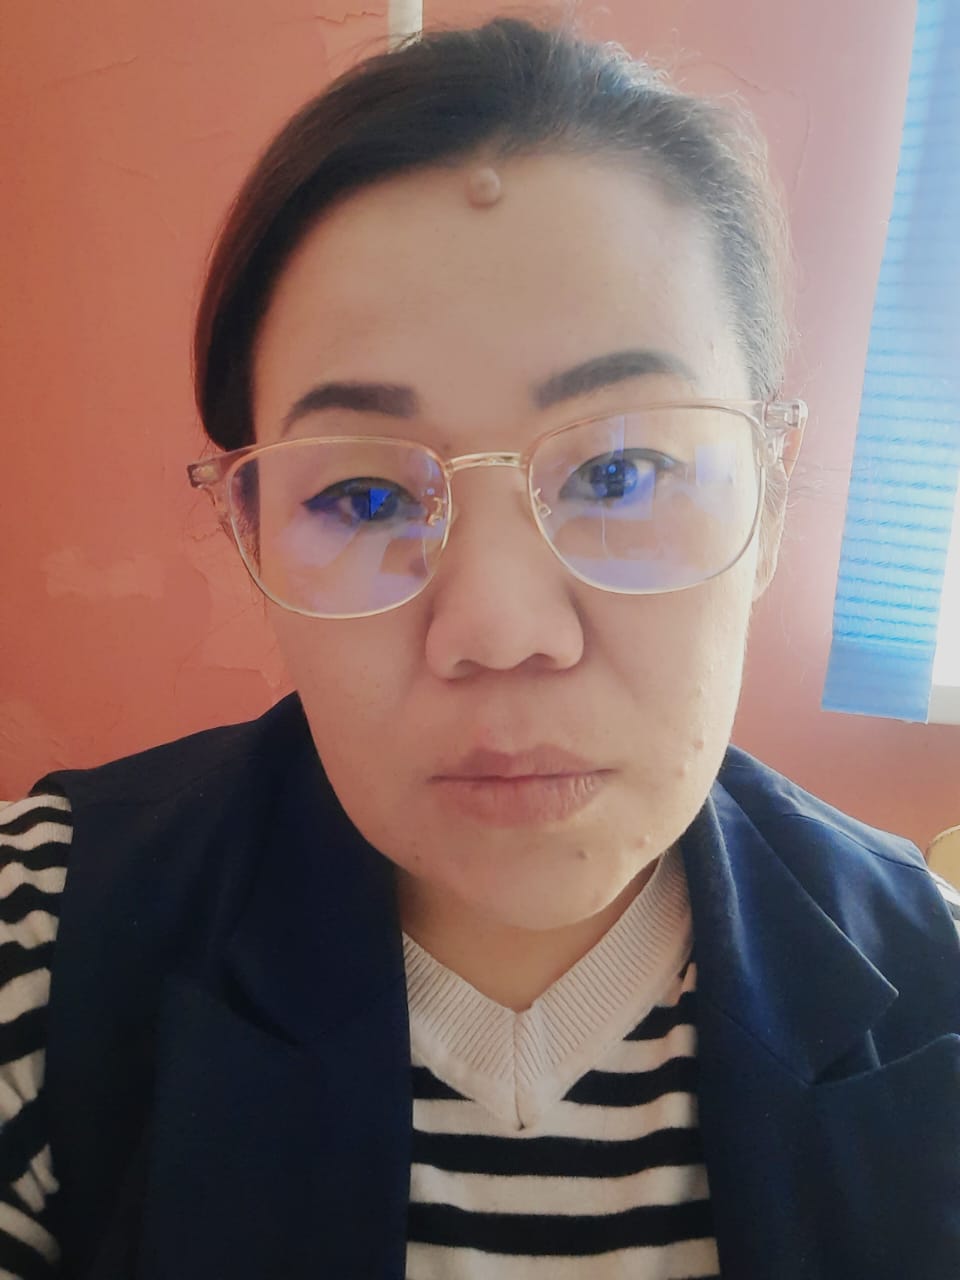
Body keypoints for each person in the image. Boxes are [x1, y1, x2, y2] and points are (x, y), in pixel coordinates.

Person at [2, 15, 958, 1280]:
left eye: (621, 470)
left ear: (771, 499)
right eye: (364, 496)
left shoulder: (939, 980)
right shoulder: (44, 939)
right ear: (248, 530)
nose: (500, 632)